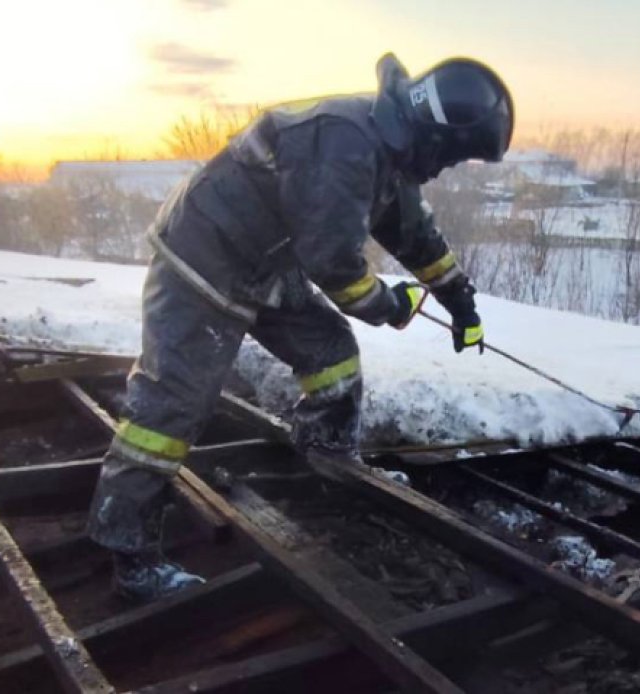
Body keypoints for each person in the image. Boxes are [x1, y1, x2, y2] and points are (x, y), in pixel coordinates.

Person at [86, 53, 514, 601]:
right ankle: (129, 551)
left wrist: (459, 298)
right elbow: (334, 264)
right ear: (436, 137)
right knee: (172, 408)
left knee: (330, 352)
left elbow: (412, 231)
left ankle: (325, 453)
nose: (444, 170)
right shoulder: (345, 143)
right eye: (453, 159)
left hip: (259, 262)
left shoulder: (387, 146)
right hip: (203, 261)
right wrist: (392, 305)